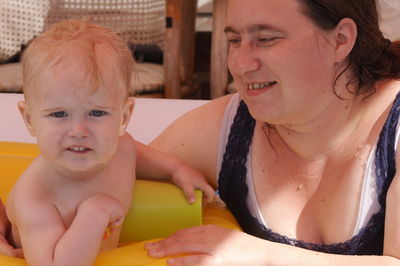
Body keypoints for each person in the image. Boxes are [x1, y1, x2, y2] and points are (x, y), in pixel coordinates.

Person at [144, 0, 400, 264]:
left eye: (266, 39)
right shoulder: (229, 125)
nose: (241, 64)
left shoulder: (394, 128)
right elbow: (114, 165)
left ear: (340, 40)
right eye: (234, 40)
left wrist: (260, 257)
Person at [3, 19, 214, 266]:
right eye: (59, 114)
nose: (79, 131)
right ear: (29, 120)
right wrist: (94, 214)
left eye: (97, 113)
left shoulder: (123, 148)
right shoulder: (37, 199)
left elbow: (151, 160)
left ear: (123, 117)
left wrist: (179, 170)